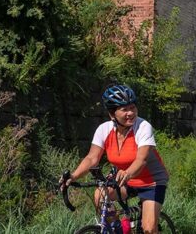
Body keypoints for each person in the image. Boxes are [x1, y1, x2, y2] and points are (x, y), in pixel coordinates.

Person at [60, 84, 168, 234]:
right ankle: (120, 229)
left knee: (149, 229)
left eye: (133, 107)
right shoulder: (104, 129)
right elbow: (92, 158)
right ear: (112, 114)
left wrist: (127, 173)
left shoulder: (143, 127)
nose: (130, 113)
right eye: (124, 109)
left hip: (151, 182)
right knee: (99, 195)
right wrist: (74, 176)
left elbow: (141, 160)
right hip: (125, 181)